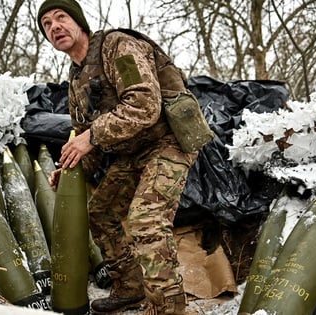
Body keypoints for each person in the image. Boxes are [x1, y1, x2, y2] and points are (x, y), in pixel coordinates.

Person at [37, 1, 197, 314]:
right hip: (132, 151)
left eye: (61, 17)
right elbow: (87, 140)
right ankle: (131, 286)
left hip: (168, 141)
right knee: (100, 211)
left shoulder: (118, 47)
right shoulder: (76, 78)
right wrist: (72, 169)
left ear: (79, 23)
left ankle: (169, 308)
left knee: (146, 219)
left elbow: (144, 104)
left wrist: (90, 137)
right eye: (46, 24)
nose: (54, 27)